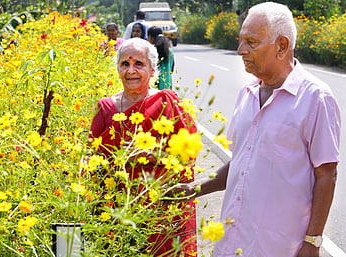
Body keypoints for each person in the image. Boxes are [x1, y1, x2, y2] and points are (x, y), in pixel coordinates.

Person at [169, 2, 340, 257]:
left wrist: (312, 241)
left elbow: (327, 175)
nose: (240, 51)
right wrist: (195, 189)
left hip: (279, 246)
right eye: (240, 41)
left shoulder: (316, 98)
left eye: (251, 42)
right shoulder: (247, 93)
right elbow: (242, 162)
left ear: (282, 46)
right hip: (231, 241)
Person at [90, 38, 197, 256]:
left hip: (162, 209)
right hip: (118, 207)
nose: (131, 71)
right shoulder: (105, 107)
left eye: (139, 64)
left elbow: (189, 154)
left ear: (152, 69)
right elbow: (91, 161)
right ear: (117, 68)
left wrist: (153, 155)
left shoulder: (167, 102)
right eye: (124, 64)